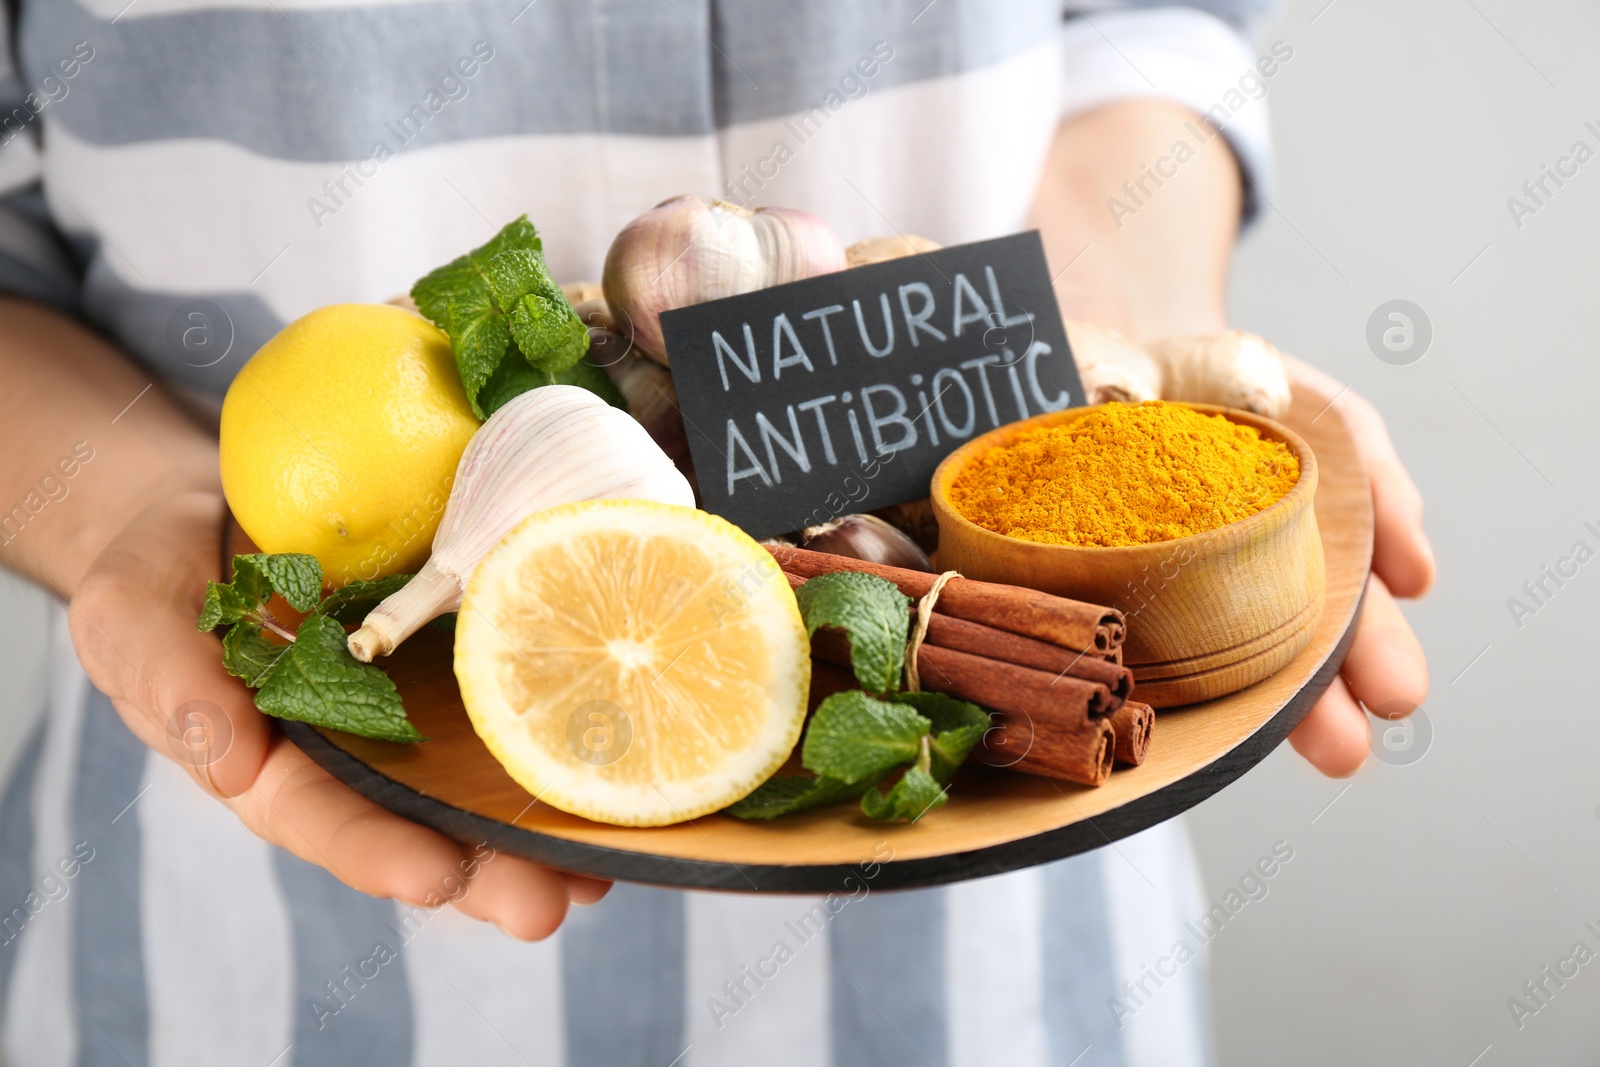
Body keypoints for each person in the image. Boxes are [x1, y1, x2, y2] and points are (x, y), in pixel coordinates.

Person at [0, 1, 1432, 1063]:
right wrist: (121, 500)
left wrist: (1114, 329)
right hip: (274, 957)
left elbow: (1144, 30)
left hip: (1008, 899)